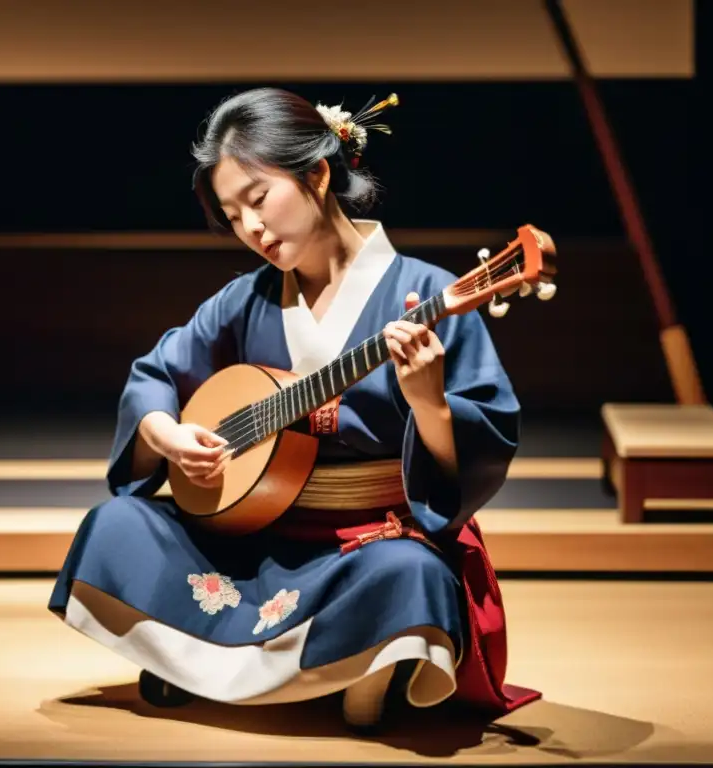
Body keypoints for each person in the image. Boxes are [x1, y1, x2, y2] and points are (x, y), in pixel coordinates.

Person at [48, 87, 539, 731]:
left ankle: (322, 665)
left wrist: (430, 408)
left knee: (410, 574)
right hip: (252, 534)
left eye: (258, 199)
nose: (250, 228)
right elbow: (155, 375)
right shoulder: (244, 300)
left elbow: (486, 434)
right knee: (117, 528)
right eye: (232, 215)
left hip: (363, 544)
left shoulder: (426, 294)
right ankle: (331, 668)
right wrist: (168, 438)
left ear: (317, 172)